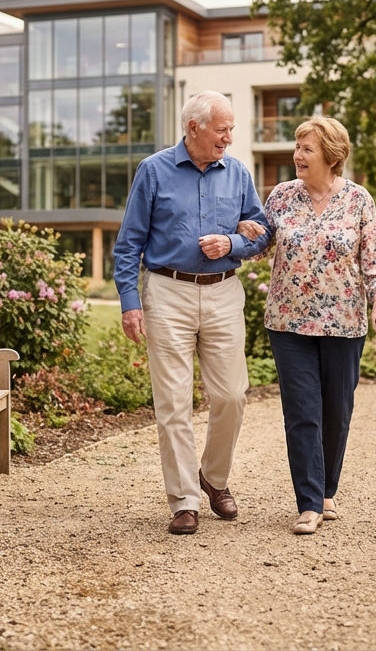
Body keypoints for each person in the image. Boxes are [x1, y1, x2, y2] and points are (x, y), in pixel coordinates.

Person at [113, 90, 271, 535]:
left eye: (231, 129)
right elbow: (128, 245)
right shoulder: (154, 170)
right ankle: (184, 499)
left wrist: (234, 243)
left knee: (232, 395)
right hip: (168, 292)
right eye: (222, 129)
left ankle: (213, 478)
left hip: (223, 292)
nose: (229, 137)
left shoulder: (237, 173)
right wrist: (129, 302)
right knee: (173, 402)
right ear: (194, 128)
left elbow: (262, 233)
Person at [239, 115, 376, 535]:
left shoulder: (359, 200)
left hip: (345, 323)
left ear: (331, 154)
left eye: (307, 148)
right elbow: (259, 246)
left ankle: (327, 491)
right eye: (297, 147)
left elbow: (374, 261)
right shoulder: (282, 196)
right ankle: (308, 503)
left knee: (337, 413)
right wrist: (243, 232)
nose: (297, 155)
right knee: (303, 411)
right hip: (288, 322)